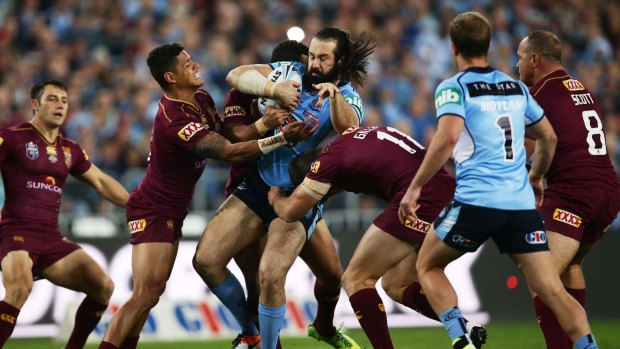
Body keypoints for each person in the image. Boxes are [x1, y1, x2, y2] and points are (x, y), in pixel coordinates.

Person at [399, 12, 600, 349]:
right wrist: (536, 178)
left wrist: (415, 187)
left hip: (476, 201)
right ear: (489, 46)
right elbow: (548, 137)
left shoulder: (453, 87)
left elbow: (447, 138)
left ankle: (461, 339)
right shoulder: (517, 87)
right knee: (552, 289)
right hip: (521, 206)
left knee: (427, 264)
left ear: (453, 47)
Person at [98, 43, 315, 349]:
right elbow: (228, 152)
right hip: (153, 209)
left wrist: (263, 121)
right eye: (188, 64)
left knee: (151, 294)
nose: (196, 65)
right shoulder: (174, 119)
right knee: (145, 294)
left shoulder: (200, 98)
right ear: (171, 77)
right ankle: (252, 334)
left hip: (173, 209)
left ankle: (251, 333)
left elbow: (228, 133)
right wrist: (280, 138)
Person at [193, 26, 375, 349]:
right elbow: (236, 75)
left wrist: (333, 94)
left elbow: (349, 128)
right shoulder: (290, 72)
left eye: (323, 58)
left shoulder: (348, 98)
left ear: (341, 61)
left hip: (298, 197)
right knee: (205, 260)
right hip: (258, 186)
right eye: (312, 55)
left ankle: (317, 329)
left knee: (277, 274)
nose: (314, 64)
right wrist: (273, 89)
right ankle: (251, 332)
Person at [268, 125, 488, 349]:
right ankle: (465, 329)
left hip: (419, 199)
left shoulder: (325, 165)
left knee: (356, 279)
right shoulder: (349, 135)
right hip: (446, 191)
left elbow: (290, 212)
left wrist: (276, 197)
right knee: (397, 284)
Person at [223, 39, 349, 349]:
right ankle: (261, 341)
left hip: (293, 192)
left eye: (318, 61)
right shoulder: (245, 92)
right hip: (250, 190)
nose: (310, 70)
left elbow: (348, 128)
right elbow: (234, 141)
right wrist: (268, 124)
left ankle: (324, 326)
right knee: (263, 278)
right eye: (307, 62)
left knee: (332, 275)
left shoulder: (320, 97)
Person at [0, 79, 130, 348]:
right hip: (14, 232)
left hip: (50, 238)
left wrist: (137, 205)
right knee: (19, 289)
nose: (60, 104)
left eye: (64, 100)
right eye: (52, 99)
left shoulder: (70, 149)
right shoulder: (12, 137)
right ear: (35, 104)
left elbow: (102, 181)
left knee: (103, 287)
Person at [516, 30, 620, 349]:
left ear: (535, 59)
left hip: (574, 193)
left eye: (519, 57)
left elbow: (524, 149)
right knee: (571, 265)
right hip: (608, 192)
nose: (516, 64)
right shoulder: (583, 89)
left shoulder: (539, 93)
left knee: (540, 277)